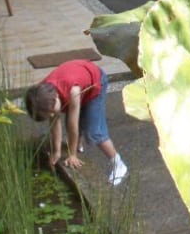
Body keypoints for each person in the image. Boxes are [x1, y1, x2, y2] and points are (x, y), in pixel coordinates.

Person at [24, 58, 128, 186]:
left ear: (56, 97)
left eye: (52, 111)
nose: (52, 115)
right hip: (79, 78)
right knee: (75, 120)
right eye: (48, 114)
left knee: (94, 131)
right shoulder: (42, 96)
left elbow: (72, 126)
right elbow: (54, 124)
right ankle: (77, 146)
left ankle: (118, 164)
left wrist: (72, 155)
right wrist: (56, 152)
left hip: (96, 81)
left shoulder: (72, 92)